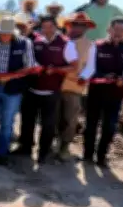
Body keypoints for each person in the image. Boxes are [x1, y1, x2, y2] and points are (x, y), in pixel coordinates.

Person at [16, 15, 78, 164]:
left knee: (48, 124)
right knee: (27, 120)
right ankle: (25, 147)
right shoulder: (35, 41)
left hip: (51, 91)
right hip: (32, 89)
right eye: (44, 27)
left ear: (56, 27)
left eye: (50, 26)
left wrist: (56, 70)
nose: (47, 30)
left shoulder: (66, 44)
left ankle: (43, 152)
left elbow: (74, 66)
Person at [0, 15, 37, 165]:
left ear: (13, 32)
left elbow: (29, 67)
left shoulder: (24, 43)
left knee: (7, 122)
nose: (4, 36)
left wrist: (10, 77)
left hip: (13, 89)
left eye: (7, 33)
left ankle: (2, 153)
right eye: (2, 33)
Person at [84, 17, 123, 167]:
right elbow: (89, 70)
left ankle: (101, 156)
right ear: (109, 29)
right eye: (115, 29)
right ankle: (87, 155)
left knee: (109, 127)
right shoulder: (97, 46)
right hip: (95, 93)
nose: (118, 33)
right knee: (91, 125)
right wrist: (103, 76)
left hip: (116, 96)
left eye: (122, 30)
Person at [56, 12, 97, 161]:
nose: (77, 28)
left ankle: (64, 146)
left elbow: (91, 66)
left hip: (74, 86)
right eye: (75, 25)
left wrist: (84, 77)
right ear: (69, 26)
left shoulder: (90, 45)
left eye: (81, 25)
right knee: (54, 116)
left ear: (86, 28)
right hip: (55, 84)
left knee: (70, 117)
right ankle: (52, 141)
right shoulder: (60, 41)